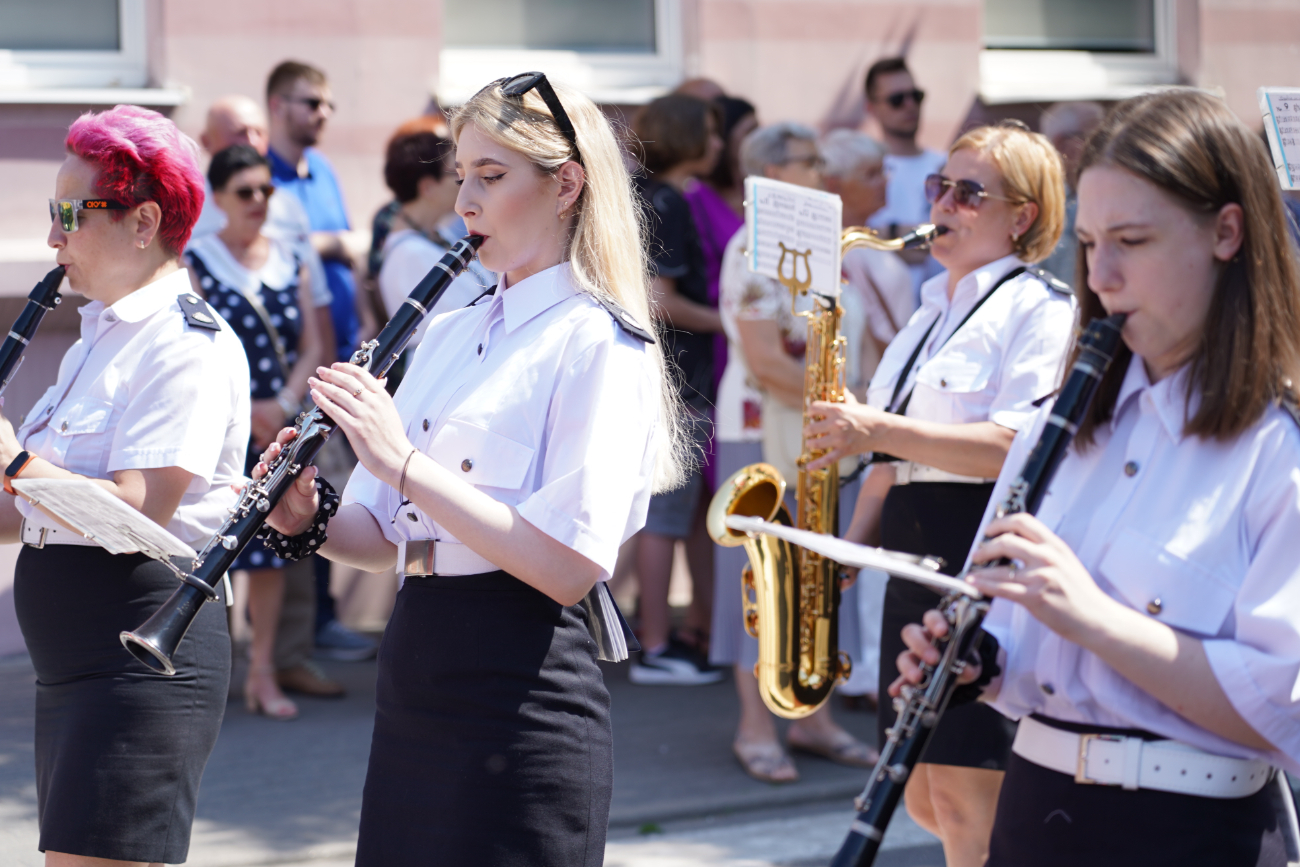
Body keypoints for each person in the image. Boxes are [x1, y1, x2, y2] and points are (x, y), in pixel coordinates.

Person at [252, 71, 682, 865]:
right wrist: (305, 514)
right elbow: (384, 534)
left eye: (491, 176)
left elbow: (568, 565)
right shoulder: (448, 332)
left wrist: (404, 460)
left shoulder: (598, 341)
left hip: (521, 679)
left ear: (567, 186)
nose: (465, 204)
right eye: (460, 177)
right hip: (418, 663)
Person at [895, 89, 1300, 866]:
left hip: (1190, 831)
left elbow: (1285, 707)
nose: (1102, 275)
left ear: (1226, 231)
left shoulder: (1276, 448)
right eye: (1085, 242)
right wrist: (980, 661)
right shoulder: (1060, 426)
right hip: (1034, 811)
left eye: (1132, 240)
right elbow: (1024, 644)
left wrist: (1092, 616)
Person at [805, 120, 1073, 867]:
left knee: (964, 798)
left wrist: (872, 428)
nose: (943, 204)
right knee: (921, 794)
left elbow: (1017, 446)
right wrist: (844, 550)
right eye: (938, 186)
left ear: (1021, 216)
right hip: (912, 554)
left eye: (967, 191)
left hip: (975, 551)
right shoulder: (930, 311)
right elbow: (887, 451)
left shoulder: (1038, 309)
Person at [4, 105, 248, 866]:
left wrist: (12, 461)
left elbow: (137, 511)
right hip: (76, 663)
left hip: (139, 659)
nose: (52, 237)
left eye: (68, 214)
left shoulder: (184, 343)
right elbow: (36, 511)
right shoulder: (99, 337)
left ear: (143, 221)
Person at [711, 122, 878, 782]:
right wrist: (846, 408)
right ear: (775, 172)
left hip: (824, 431)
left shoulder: (827, 245)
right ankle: (757, 727)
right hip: (762, 431)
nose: (825, 174)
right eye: (812, 162)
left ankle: (814, 718)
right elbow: (762, 360)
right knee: (760, 580)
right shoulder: (752, 245)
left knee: (820, 577)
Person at [190, 94, 345, 701]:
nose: (258, 202)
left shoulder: (290, 258)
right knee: (220, 540)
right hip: (221, 421)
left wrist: (281, 403)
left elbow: (312, 341)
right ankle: (213, 673)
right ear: (219, 199)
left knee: (277, 549)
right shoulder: (198, 261)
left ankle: (264, 674)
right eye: (245, 193)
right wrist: (245, 409)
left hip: (280, 416)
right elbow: (195, 347)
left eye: (264, 191)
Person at [265, 60, 379, 662]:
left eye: (327, 104)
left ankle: (324, 621)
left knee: (332, 484)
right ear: (279, 105)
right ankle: (299, 639)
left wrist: (361, 311)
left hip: (340, 355)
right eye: (311, 103)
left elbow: (348, 251)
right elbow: (291, 249)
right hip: (299, 366)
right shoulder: (266, 178)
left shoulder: (325, 170)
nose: (323, 114)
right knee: (299, 484)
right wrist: (336, 245)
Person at [628, 93, 725, 685]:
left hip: (666, 378)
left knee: (676, 514)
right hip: (676, 381)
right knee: (664, 516)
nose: (718, 145)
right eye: (710, 133)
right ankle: (657, 646)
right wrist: (732, 322)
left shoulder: (646, 195)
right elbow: (661, 300)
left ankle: (673, 635)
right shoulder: (667, 201)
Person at [819, 128, 916, 705]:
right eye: (873, 172)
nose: (886, 181)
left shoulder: (873, 253)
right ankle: (867, 669)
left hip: (877, 414)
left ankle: (874, 666)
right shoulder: (862, 255)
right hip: (866, 413)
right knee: (863, 548)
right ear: (836, 185)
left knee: (869, 547)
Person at [376, 117, 494, 351]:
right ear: (428, 187)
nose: (465, 187)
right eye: (458, 177)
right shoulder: (409, 254)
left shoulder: (435, 236)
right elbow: (464, 327)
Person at [682, 95, 759, 407]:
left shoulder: (754, 195)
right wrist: (726, 322)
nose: (758, 142)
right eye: (748, 133)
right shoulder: (694, 197)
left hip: (760, 333)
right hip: (715, 340)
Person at [862, 57, 948, 299]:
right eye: (896, 100)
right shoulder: (862, 170)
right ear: (871, 108)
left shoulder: (948, 165)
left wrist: (885, 237)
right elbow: (844, 236)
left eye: (916, 96)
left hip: (939, 312)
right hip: (881, 318)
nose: (910, 105)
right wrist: (896, 236)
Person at [1038, 101, 1106, 285]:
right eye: (1096, 138)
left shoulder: (1107, 195)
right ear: (1063, 145)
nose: (1106, 148)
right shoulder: (1034, 202)